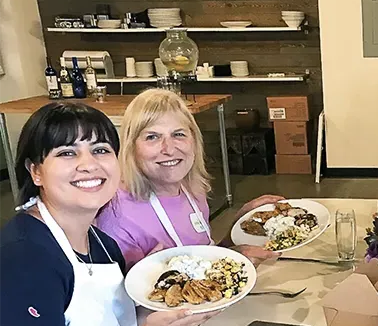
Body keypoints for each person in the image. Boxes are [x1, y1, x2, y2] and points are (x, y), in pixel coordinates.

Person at [0, 103, 213, 326]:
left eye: (100, 150)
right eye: (67, 152)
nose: (89, 164)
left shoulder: (98, 241)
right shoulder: (26, 259)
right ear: (35, 171)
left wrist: (166, 294)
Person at [96, 89, 281, 269]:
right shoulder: (118, 219)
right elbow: (122, 298)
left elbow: (207, 257)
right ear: (131, 148)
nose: (169, 149)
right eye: (152, 137)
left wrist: (239, 226)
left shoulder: (192, 190)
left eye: (178, 134)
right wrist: (150, 275)